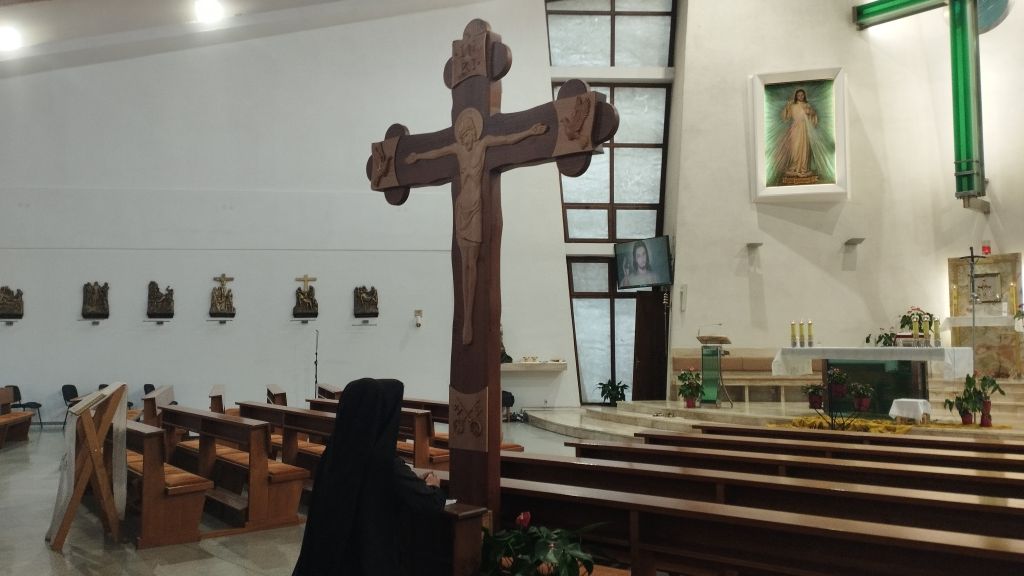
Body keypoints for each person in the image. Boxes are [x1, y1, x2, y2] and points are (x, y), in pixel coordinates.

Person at [406, 108, 547, 345]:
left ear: (475, 133)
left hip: (476, 209)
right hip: (462, 207)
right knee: (464, 264)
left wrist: (530, 132)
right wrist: (417, 157)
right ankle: (466, 319)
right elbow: (436, 152)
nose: (468, 138)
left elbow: (507, 139)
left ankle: (470, 320)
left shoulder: (484, 144)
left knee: (474, 263)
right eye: (464, 135)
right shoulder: (458, 149)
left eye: (470, 134)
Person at [292, 378, 445, 576]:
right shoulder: (384, 463)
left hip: (329, 561)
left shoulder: (333, 454)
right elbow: (429, 503)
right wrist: (434, 487)